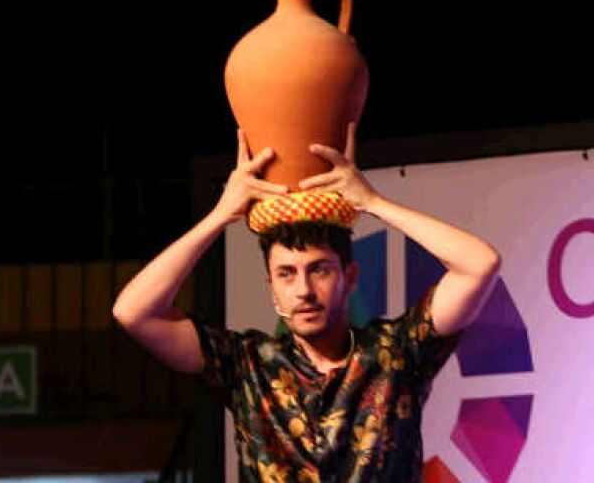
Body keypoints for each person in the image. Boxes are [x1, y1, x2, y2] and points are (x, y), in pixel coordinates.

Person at [112, 124, 501, 481]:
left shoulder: (397, 353)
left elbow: (479, 265)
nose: (303, 290)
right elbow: (133, 312)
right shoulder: (247, 365)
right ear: (271, 286)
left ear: (349, 277)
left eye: (319, 270)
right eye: (287, 274)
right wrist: (220, 215)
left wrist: (373, 202)